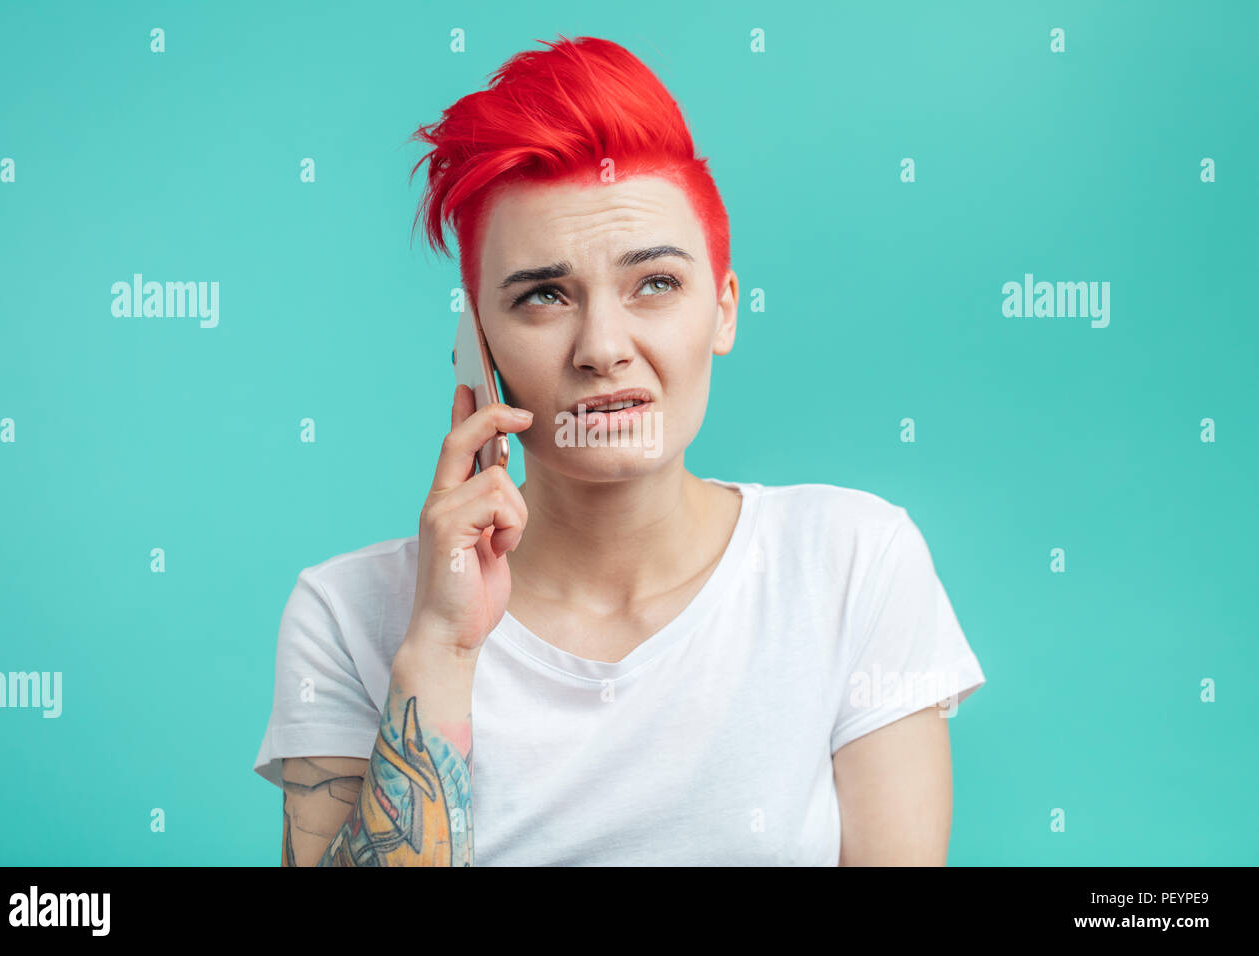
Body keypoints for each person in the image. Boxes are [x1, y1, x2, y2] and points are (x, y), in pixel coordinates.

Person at [254, 34, 987, 866]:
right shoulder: (347, 614)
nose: (603, 346)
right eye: (542, 295)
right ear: (477, 347)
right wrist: (441, 649)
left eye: (655, 284)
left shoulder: (854, 561)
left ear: (724, 310)